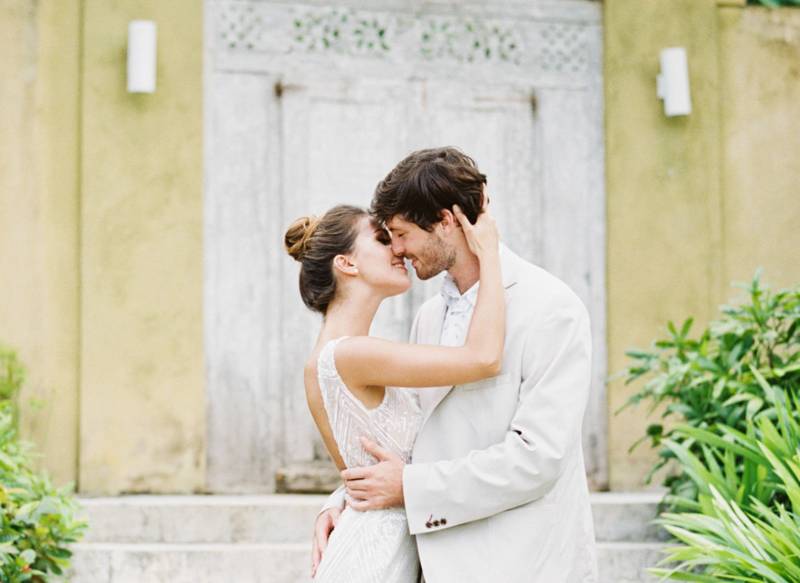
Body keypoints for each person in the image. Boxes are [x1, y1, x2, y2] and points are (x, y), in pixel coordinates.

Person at [313, 147, 598, 582]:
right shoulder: (429, 316)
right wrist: (343, 500)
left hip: (519, 563)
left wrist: (408, 488)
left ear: (446, 221)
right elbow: (415, 437)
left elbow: (537, 459)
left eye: (402, 233)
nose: (399, 250)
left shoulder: (552, 308)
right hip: (435, 564)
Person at [284, 197, 504, 582]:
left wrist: (336, 502)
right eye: (383, 239)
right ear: (347, 263)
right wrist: (491, 255)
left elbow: (358, 468)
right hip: (374, 563)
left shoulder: (324, 359)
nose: (398, 248)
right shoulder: (352, 354)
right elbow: (484, 358)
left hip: (374, 549)